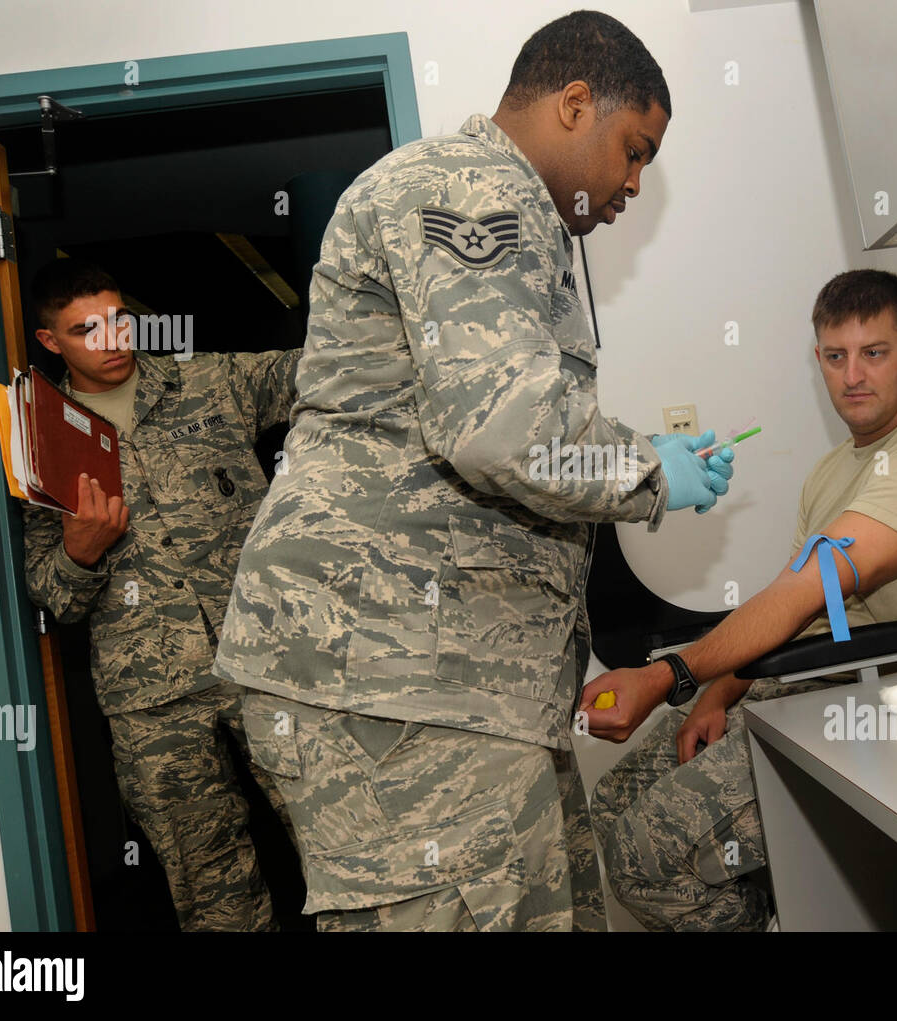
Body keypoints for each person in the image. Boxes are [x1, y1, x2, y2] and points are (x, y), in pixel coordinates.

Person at [212, 10, 733, 932]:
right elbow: (499, 425)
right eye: (634, 149)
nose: (634, 184)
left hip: (449, 682)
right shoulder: (472, 190)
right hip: (390, 682)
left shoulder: (502, 203)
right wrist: (649, 469)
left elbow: (494, 413)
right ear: (576, 105)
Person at [584, 269, 897, 931]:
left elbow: (809, 588)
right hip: (817, 684)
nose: (854, 375)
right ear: (819, 362)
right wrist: (716, 697)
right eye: (836, 356)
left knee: (644, 856)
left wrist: (671, 675)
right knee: (611, 801)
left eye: (876, 352)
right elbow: (793, 607)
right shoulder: (832, 471)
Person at [23, 258, 301, 930]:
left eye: (119, 320)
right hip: (152, 701)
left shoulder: (208, 381)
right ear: (50, 341)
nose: (112, 339)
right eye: (86, 329)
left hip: (263, 660)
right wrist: (81, 553)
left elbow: (319, 369)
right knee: (210, 886)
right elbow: (52, 596)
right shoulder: (41, 443)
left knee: (342, 832)